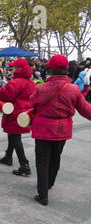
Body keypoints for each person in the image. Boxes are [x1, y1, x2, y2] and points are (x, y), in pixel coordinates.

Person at [30, 54, 91, 205]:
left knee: (42, 160)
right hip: (62, 129)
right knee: (56, 157)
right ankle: (50, 183)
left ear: (50, 70)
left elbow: (32, 103)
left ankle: (42, 194)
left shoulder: (40, 88)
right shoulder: (74, 89)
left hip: (43, 129)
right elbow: (85, 109)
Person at [0, 58, 35, 176]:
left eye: (13, 67)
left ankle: (24, 165)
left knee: (15, 138)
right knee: (13, 135)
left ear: (18, 69)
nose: (11, 69)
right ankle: (8, 157)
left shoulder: (15, 82)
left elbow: (4, 94)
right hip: (26, 113)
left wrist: (0, 90)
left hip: (14, 112)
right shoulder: (31, 82)